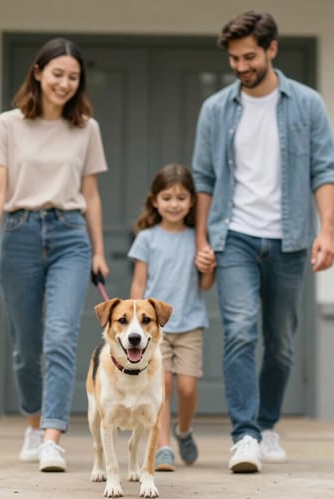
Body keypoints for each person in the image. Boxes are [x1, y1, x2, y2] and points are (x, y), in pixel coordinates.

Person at [191, 10, 334, 473]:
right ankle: (245, 436)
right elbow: (203, 177)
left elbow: (325, 170)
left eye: (249, 56)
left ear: (272, 49)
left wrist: (328, 230)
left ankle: (267, 422)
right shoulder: (216, 109)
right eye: (234, 58)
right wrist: (202, 239)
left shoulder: (307, 104)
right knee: (239, 330)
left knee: (279, 342)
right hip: (234, 236)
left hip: (290, 240)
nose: (241, 66)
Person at [0, 37, 109, 473]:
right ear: (37, 72)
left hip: (71, 234)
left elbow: (90, 193)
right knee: (25, 347)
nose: (65, 83)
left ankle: (53, 436)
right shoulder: (8, 125)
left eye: (73, 77)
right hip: (18, 233)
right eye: (57, 74)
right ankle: (33, 423)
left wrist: (99, 251)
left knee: (61, 336)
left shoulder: (86, 127)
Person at [128, 164, 215, 472]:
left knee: (188, 388)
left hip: (190, 323)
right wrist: (136, 321)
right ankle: (163, 446)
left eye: (181, 197)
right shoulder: (147, 239)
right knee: (162, 384)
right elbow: (139, 284)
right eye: (167, 197)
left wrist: (208, 268)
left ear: (192, 201)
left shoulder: (198, 238)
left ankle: (184, 431)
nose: (174, 204)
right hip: (155, 331)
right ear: (155, 201)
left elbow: (205, 286)